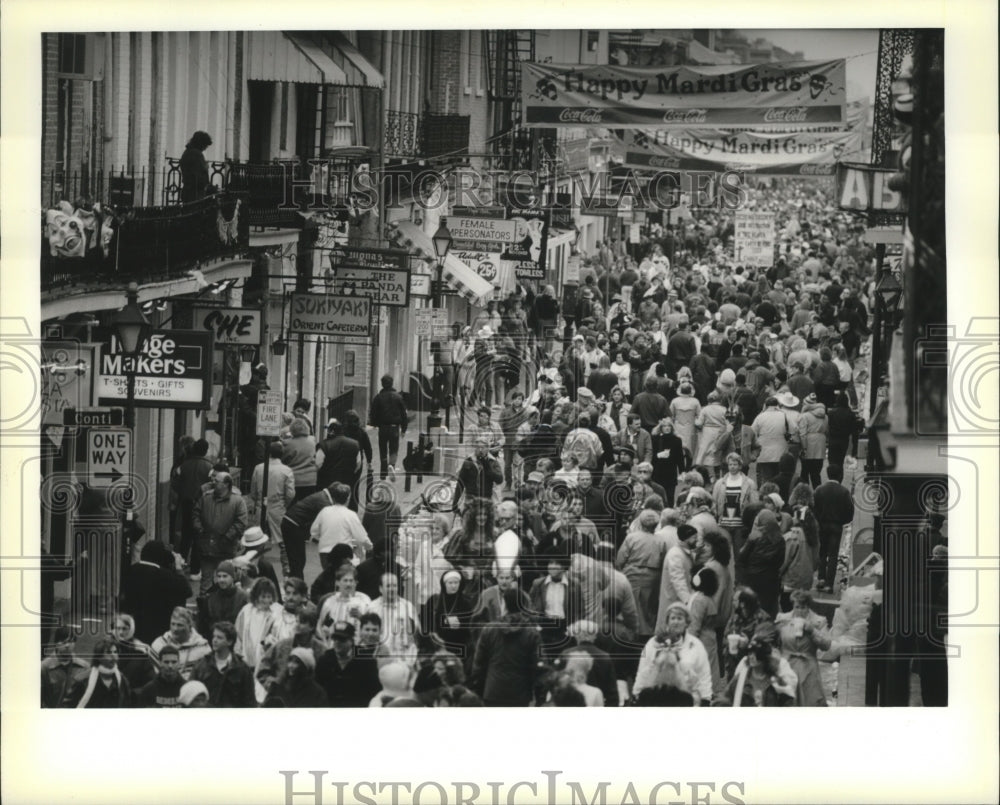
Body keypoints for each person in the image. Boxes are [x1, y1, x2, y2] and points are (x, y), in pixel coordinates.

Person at [633, 602, 712, 705]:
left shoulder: (696, 645)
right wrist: (637, 693)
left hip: (686, 698)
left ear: (686, 623)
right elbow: (643, 670)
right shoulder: (653, 643)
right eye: (673, 618)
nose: (676, 622)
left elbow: (703, 674)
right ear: (667, 622)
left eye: (680, 618)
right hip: (656, 696)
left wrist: (706, 698)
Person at [471, 601, 544, 707]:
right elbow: (539, 667)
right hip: (520, 693)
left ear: (504, 607)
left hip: (493, 691)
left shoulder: (489, 630)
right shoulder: (531, 633)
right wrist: (540, 696)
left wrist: (479, 688)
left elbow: (479, 664)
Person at [121, 539, 193, 644]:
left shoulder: (130, 571)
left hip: (131, 628)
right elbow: (187, 591)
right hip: (157, 632)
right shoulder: (165, 576)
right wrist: (178, 567)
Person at [193, 471, 248, 594]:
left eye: (217, 481)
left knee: (225, 581)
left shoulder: (237, 501)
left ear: (226, 484)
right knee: (206, 583)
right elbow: (196, 514)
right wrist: (200, 529)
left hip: (226, 550)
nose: (213, 482)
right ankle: (205, 605)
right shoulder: (205, 498)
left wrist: (227, 537)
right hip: (206, 548)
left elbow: (241, 522)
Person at [616, 509, 669, 638]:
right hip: (653, 578)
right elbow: (663, 561)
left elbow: (620, 559)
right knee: (648, 608)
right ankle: (646, 635)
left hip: (632, 576)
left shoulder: (632, 537)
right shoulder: (660, 541)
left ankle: (634, 634)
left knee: (633, 607)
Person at [719, 621, 798, 707]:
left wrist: (775, 667)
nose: (754, 655)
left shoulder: (781, 664)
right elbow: (730, 693)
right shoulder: (745, 664)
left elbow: (790, 691)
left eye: (764, 645)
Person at [775, 589, 832, 706]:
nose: (800, 611)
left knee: (810, 701)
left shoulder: (818, 621)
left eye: (803, 607)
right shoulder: (783, 618)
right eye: (797, 607)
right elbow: (773, 641)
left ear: (808, 607)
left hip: (808, 666)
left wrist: (812, 631)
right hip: (786, 665)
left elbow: (826, 645)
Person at [249, 439, 296, 574]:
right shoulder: (287, 471)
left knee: (257, 541)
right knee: (284, 542)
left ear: (268, 453)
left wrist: (258, 500)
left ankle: (256, 567)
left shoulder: (258, 468)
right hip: (278, 506)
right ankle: (286, 569)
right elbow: (291, 493)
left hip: (260, 507)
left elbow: (253, 491)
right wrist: (284, 504)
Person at [189, 620, 256, 707]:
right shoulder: (202, 665)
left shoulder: (242, 669)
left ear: (230, 642)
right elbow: (191, 694)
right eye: (214, 636)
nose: (214, 640)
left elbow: (249, 702)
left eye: (219, 637)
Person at [315, 620, 382, 707]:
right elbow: (318, 689)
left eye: (342, 639)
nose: (337, 642)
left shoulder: (366, 660)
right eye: (335, 638)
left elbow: (374, 691)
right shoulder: (325, 659)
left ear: (351, 640)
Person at [309, 482, 372, 570]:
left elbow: (314, 531)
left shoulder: (324, 511)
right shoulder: (350, 514)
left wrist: (323, 537)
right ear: (348, 498)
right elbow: (361, 537)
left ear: (333, 498)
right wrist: (369, 546)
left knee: (329, 577)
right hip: (343, 554)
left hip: (325, 552)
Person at [172, 437, 213, 573]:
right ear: (206, 451)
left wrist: (183, 493)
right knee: (199, 537)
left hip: (186, 504)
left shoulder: (184, 465)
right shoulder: (209, 467)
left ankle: (182, 563)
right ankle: (195, 569)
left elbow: (175, 484)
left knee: (185, 535)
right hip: (202, 506)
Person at [813, 464, 855, 592]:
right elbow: (850, 512)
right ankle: (829, 584)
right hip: (836, 526)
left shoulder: (819, 490)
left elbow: (814, 508)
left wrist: (818, 520)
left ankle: (821, 579)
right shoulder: (844, 492)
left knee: (822, 553)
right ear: (840, 475)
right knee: (833, 555)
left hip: (822, 525)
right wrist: (842, 521)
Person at [281, 483, 336, 581]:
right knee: (297, 561)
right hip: (293, 526)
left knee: (297, 560)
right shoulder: (324, 502)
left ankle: (295, 584)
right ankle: (297, 587)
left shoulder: (322, 496)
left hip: (292, 524)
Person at [737, 509, 786, 617]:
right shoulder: (781, 539)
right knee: (769, 612)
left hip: (752, 581)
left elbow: (741, 557)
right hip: (771, 582)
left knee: (751, 610)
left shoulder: (755, 537)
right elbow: (780, 562)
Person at [562, 620, 619, 707]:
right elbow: (612, 693)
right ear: (594, 636)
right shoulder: (605, 657)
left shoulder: (566, 654)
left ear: (577, 635)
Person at [421, 569, 477, 656]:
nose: (453, 586)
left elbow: (471, 625)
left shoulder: (465, 602)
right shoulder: (434, 600)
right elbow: (424, 621)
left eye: (456, 583)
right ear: (444, 584)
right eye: (450, 583)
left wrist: (460, 624)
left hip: (459, 646)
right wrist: (444, 621)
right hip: (437, 646)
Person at [712, 452, 759, 556]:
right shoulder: (719, 483)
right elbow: (714, 502)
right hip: (723, 525)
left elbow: (755, 505)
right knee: (722, 556)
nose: (732, 467)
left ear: (740, 466)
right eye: (730, 464)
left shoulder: (749, 483)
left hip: (740, 526)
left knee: (739, 557)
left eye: (735, 464)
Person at [654, 523, 698, 632]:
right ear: (686, 539)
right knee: (669, 631)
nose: (696, 540)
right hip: (674, 599)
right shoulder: (676, 555)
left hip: (678, 600)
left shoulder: (684, 552)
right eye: (694, 538)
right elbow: (678, 581)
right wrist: (688, 602)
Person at [150, 606, 211, 681]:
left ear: (189, 626)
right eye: (173, 624)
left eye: (180, 625)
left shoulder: (202, 647)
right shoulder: (159, 644)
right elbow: (153, 678)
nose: (175, 629)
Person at [687, 566, 722, 697]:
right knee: (711, 670)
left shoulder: (699, 600)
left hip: (701, 640)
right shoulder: (708, 599)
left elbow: (694, 626)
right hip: (710, 639)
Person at [369, 374, 408, 481]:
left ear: (382, 384)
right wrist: (404, 429)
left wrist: (375, 424)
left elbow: (373, 413)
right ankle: (392, 465)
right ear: (392, 383)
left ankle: (383, 473)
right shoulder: (398, 397)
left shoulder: (378, 397)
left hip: (383, 428)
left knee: (383, 449)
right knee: (394, 449)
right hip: (395, 427)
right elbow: (404, 414)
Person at [196, 559, 248, 638]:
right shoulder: (210, 599)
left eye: (225, 576)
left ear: (232, 577)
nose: (221, 580)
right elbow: (203, 625)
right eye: (219, 576)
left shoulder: (244, 598)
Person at [40, 627, 90, 708]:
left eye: (70, 641)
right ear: (56, 643)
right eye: (63, 642)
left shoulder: (84, 667)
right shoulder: (44, 667)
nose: (67, 645)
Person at [76, 637, 132, 708]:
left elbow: (127, 706)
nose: (113, 656)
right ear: (99, 657)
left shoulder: (122, 680)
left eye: (115, 652)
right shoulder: (83, 679)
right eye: (108, 652)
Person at [317, 563, 372, 635]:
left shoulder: (364, 600)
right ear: (337, 583)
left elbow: (372, 626)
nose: (348, 584)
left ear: (356, 583)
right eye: (345, 580)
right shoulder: (329, 601)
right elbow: (319, 626)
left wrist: (361, 617)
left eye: (351, 581)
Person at [263, 647, 328, 707]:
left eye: (296, 662)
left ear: (305, 668)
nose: (290, 665)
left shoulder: (317, 693)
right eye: (290, 661)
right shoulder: (277, 687)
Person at [452, 436, 504, 510]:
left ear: (487, 448)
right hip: (470, 499)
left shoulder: (492, 462)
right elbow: (460, 483)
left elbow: (499, 480)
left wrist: (488, 467)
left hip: (486, 499)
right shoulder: (468, 461)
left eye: (483, 447)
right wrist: (455, 502)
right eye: (477, 447)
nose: (480, 450)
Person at [108, 613, 157, 690]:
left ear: (131, 629)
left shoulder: (141, 649)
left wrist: (137, 693)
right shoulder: (105, 647)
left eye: (124, 629)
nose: (120, 632)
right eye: (118, 628)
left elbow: (151, 679)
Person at [315, 418, 361, 496]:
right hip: (347, 483)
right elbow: (358, 465)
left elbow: (317, 465)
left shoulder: (324, 445)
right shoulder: (355, 444)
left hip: (327, 484)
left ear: (331, 431)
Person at [751, 396, 788, 486]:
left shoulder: (760, 417)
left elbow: (752, 432)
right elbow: (791, 430)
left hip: (764, 451)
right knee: (778, 476)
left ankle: (764, 494)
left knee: (765, 477)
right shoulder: (783, 415)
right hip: (780, 450)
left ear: (765, 405)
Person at [134, 643, 185, 707]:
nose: (170, 666)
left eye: (174, 662)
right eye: (166, 662)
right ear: (160, 663)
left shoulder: (186, 688)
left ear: (179, 663)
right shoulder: (148, 690)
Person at [282, 418, 318, 503]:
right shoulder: (313, 440)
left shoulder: (287, 443)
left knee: (292, 506)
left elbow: (283, 459)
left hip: (294, 479)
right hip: (310, 480)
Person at [797, 393, 828, 489]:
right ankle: (818, 493)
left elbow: (802, 434)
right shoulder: (825, 416)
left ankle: (804, 493)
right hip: (820, 444)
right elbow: (827, 430)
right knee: (816, 474)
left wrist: (804, 448)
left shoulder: (804, 416)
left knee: (805, 472)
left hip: (809, 444)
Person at [179, 130, 213, 202]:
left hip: (187, 191)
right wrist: (206, 167)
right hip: (196, 193)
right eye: (205, 145)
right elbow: (200, 176)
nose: (205, 148)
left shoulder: (186, 152)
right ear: (201, 144)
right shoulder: (197, 154)